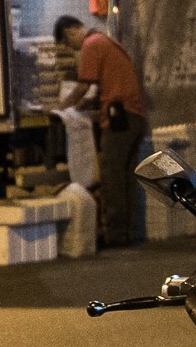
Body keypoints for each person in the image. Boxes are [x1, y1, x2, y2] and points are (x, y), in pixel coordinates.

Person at [56, 15, 146, 247]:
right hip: (134, 115)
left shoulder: (91, 44)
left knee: (111, 175)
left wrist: (63, 107)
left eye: (68, 43)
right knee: (126, 175)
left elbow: (84, 85)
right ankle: (130, 231)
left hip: (119, 116)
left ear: (71, 31)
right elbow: (102, 86)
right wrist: (86, 105)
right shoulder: (106, 41)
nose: (72, 48)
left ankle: (115, 234)